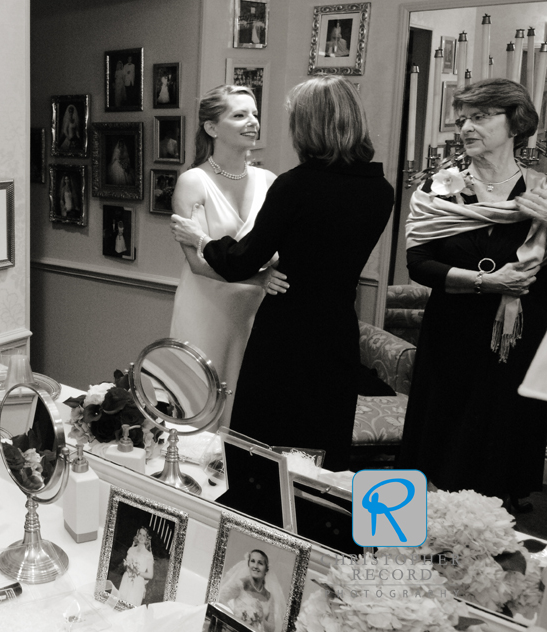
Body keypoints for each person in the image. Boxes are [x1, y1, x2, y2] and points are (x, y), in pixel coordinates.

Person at [171, 76, 393, 478]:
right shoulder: (382, 190)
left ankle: (259, 523)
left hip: (286, 330)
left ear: (309, 125)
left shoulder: (295, 185)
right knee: (322, 439)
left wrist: (203, 239)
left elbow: (241, 260)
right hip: (338, 328)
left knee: (265, 441)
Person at [400, 78, 547, 511]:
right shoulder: (440, 188)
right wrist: (485, 282)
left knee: (499, 448)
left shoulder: (542, 191)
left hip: (519, 339)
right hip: (452, 336)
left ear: (515, 123)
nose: (466, 126)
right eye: (463, 117)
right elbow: (418, 264)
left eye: (480, 117)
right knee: (441, 449)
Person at [167, 85, 282, 429]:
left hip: (252, 314)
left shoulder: (270, 181)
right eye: (239, 115)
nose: (252, 122)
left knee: (246, 410)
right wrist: (259, 278)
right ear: (212, 128)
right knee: (197, 407)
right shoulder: (193, 182)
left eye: (254, 114)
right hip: (206, 309)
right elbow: (199, 264)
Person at [217, 550, 283, 632]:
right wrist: (235, 618)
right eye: (253, 561)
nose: (255, 566)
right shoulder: (241, 584)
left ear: (266, 569)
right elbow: (220, 598)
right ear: (248, 564)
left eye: (260, 563)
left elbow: (271, 629)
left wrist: (262, 619)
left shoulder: (269, 597)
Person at [117, 527, 154, 606]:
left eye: (144, 535)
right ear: (137, 535)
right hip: (126, 579)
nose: (141, 537)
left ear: (147, 538)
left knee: (131, 606)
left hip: (137, 583)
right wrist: (126, 566)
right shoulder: (131, 549)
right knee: (120, 604)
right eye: (140, 534)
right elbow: (126, 566)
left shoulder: (148, 555)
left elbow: (150, 575)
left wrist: (137, 572)